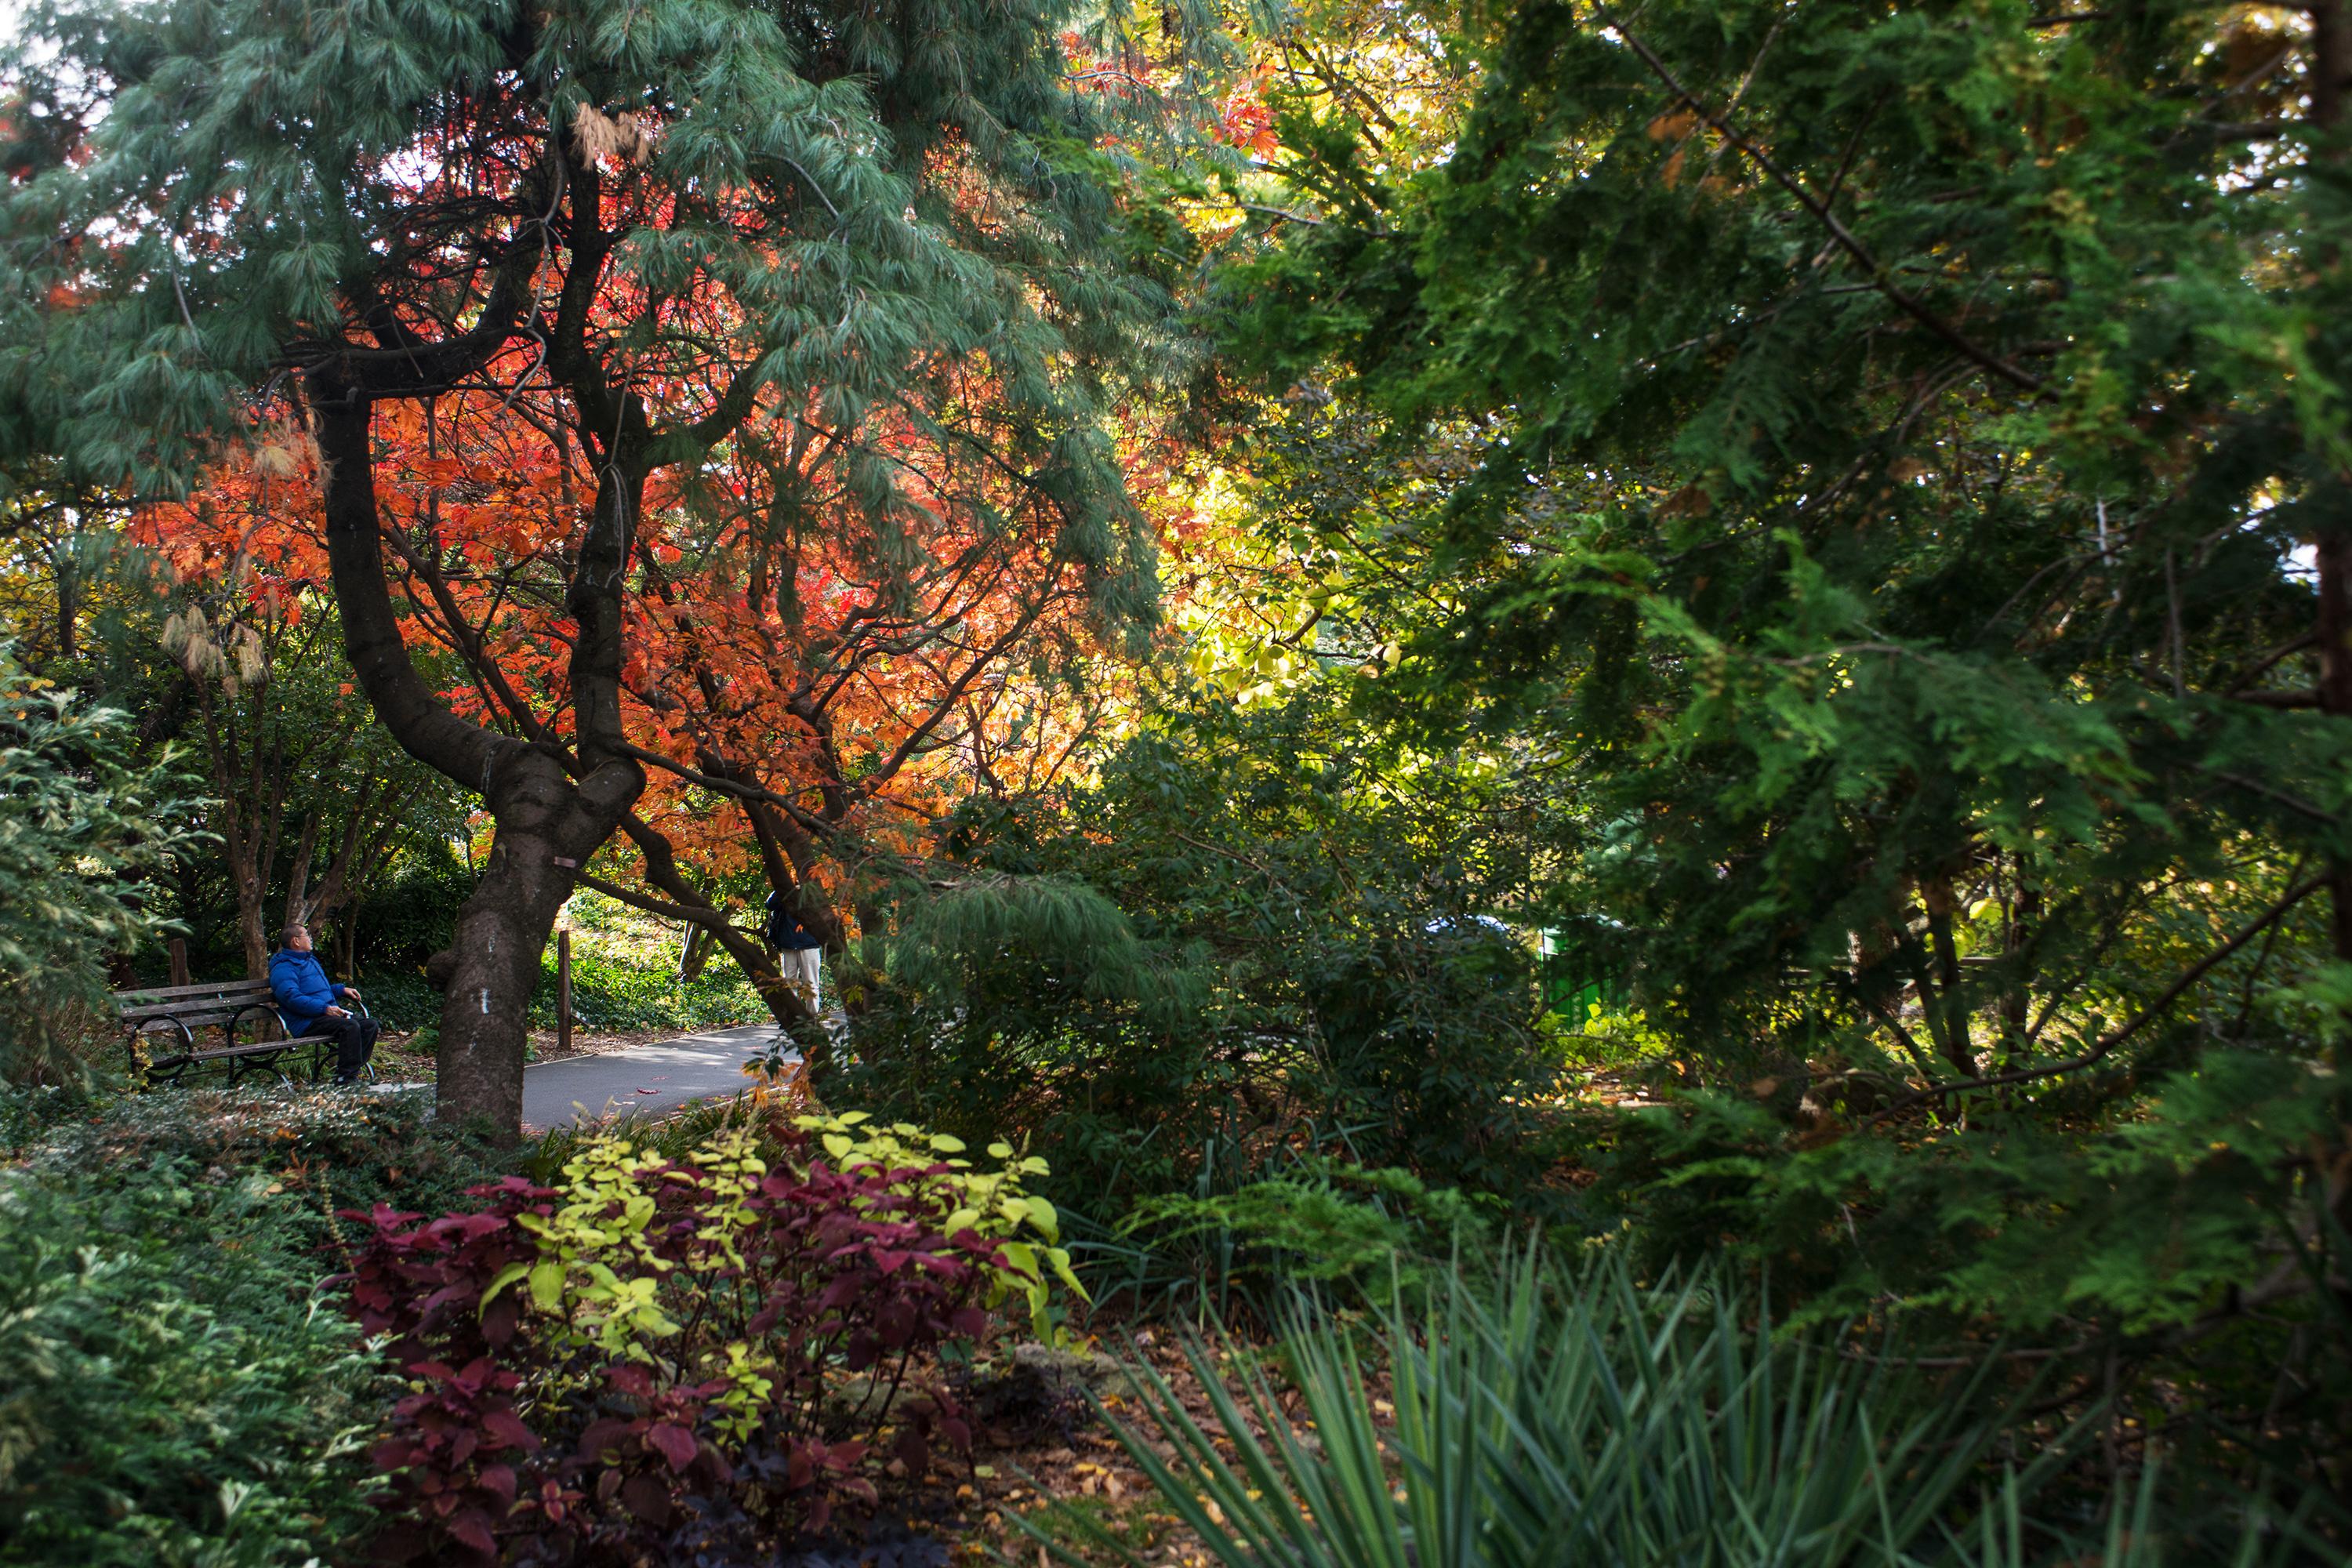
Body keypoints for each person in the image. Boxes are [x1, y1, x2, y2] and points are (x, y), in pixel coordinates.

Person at [268, 923, 379, 1084]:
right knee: (350, 1026)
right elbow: (291, 998)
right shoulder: (283, 968)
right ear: (296, 941)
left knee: (370, 1025)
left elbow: (319, 990)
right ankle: (345, 1079)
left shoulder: (310, 961)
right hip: (306, 1021)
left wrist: (341, 991)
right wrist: (325, 1008)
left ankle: (352, 1073)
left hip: (323, 1015)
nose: (311, 939)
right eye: (307, 935)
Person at [760, 891, 825, 1014]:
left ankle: (812, 1016)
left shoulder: (810, 888)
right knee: (789, 984)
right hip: (788, 943)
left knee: (811, 982)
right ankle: (792, 1016)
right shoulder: (783, 890)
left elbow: (820, 910)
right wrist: (781, 888)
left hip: (809, 943)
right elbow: (770, 905)